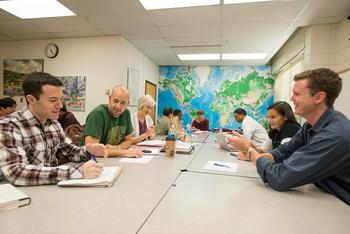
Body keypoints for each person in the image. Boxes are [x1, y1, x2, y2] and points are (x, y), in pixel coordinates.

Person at [229, 68, 350, 205]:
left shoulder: (333, 136)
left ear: (318, 97)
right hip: (325, 197)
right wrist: (254, 155)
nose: (291, 98)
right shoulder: (310, 125)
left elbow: (280, 178)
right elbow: (283, 151)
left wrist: (250, 151)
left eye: (296, 94)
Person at [0, 72, 106, 186]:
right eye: (53, 100)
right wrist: (76, 172)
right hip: (21, 196)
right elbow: (16, 172)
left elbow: (70, 152)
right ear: (31, 100)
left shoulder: (54, 123)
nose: (60, 105)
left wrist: (88, 151)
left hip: (50, 191)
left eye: (61, 99)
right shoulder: (9, 126)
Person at [83, 85, 142, 157]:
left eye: (123, 103)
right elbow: (92, 150)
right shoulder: (97, 114)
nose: (118, 106)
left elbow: (129, 141)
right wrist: (124, 152)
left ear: (128, 103)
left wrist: (118, 147)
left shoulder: (126, 113)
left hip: (112, 158)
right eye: (116, 101)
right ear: (109, 99)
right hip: (90, 161)